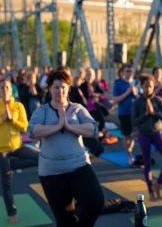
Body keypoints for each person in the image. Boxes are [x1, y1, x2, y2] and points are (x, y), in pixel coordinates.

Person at [27, 68, 104, 226]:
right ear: (49, 89)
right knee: (64, 220)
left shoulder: (77, 109)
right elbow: (32, 131)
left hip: (79, 166)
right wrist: (57, 126)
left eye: (63, 87)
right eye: (56, 87)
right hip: (51, 172)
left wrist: (69, 126)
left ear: (68, 88)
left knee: (95, 202)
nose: (60, 91)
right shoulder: (43, 111)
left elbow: (93, 129)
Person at [0, 78, 39, 223]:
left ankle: (13, 165)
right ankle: (12, 212)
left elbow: (25, 127)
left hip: (17, 146)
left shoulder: (18, 106)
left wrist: (12, 119)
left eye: (7, 87)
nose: (5, 90)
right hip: (1, 150)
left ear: (11, 89)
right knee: (6, 184)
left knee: (41, 157)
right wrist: (2, 120)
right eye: (2, 87)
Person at [132, 74, 162, 201]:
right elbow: (134, 122)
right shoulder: (138, 102)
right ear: (141, 87)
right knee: (147, 163)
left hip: (157, 134)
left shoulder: (158, 101)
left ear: (153, 86)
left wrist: (154, 113)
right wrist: (145, 114)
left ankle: (158, 183)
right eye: (145, 87)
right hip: (144, 135)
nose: (148, 89)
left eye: (150, 86)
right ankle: (150, 191)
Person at [112, 64, 139, 166]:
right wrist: (127, 93)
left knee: (134, 134)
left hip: (135, 114)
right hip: (124, 113)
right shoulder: (119, 84)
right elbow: (115, 100)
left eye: (131, 71)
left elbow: (141, 97)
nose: (129, 73)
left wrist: (136, 93)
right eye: (127, 71)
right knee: (126, 135)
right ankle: (129, 156)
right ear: (123, 73)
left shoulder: (136, 83)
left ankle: (129, 151)